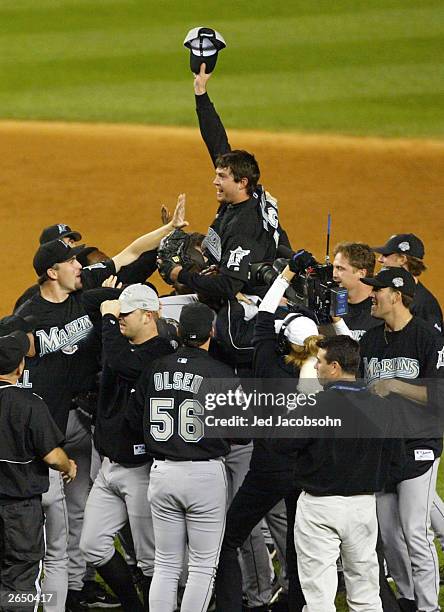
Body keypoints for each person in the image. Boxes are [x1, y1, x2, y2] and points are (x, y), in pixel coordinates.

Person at [13, 198, 187, 612]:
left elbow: (128, 253)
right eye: (72, 260)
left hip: (88, 418)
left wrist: (169, 230)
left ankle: (75, 586)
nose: (82, 264)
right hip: (50, 423)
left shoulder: (86, 293)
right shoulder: (27, 313)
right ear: (52, 272)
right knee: (53, 514)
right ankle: (44, 590)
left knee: (83, 506)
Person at [215, 260, 322, 612]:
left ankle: (233, 605)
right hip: (306, 468)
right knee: (296, 538)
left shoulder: (265, 360)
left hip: (268, 469)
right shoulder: (320, 370)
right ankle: (297, 603)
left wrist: (288, 272)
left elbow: (264, 313)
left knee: (229, 538)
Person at [127, 302, 233, 612]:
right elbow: (241, 430)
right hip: (204, 475)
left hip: (162, 473)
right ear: (212, 332)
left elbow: (134, 421)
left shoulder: (155, 368)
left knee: (165, 564)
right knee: (201, 568)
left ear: (179, 331)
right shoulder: (220, 372)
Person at [280, 335, 397, 612]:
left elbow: (281, 443)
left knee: (319, 598)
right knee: (367, 595)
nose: (316, 367)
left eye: (319, 362)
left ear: (334, 367)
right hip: (363, 507)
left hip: (320, 507)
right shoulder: (382, 406)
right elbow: (396, 461)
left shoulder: (315, 406)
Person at [80, 283, 177, 612]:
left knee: (150, 559)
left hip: (141, 472)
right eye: (118, 314)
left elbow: (124, 365)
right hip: (109, 468)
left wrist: (107, 321)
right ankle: (135, 606)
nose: (119, 318)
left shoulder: (161, 353)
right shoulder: (121, 345)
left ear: (149, 316)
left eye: (126, 314)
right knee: (92, 545)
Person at [162, 64, 290, 299]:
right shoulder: (248, 195)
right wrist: (200, 91)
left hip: (250, 303)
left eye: (221, 177)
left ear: (241, 182)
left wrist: (180, 275)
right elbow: (217, 141)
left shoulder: (243, 227)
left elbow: (229, 287)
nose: (214, 181)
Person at [359, 266, 444, 612]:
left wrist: (395, 385)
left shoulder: (428, 338)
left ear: (395, 295)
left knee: (414, 532)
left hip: (419, 445)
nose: (371, 296)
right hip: (382, 448)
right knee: (391, 538)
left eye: (376, 290)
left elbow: (439, 396)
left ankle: (428, 607)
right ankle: (407, 602)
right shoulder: (370, 339)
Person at [0, 331, 77, 612]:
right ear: (20, 367)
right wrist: (68, 466)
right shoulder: (29, 403)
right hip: (21, 510)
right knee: (21, 580)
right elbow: (52, 456)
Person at [372, 233, 443, 333]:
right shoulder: (381, 294)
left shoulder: (424, 304)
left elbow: (432, 344)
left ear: (402, 259)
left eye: (386, 255)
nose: (379, 259)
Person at [332, 242, 381, 340]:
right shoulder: (331, 304)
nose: (334, 275)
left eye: (340, 268)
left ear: (361, 273)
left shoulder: (381, 309)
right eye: (333, 268)